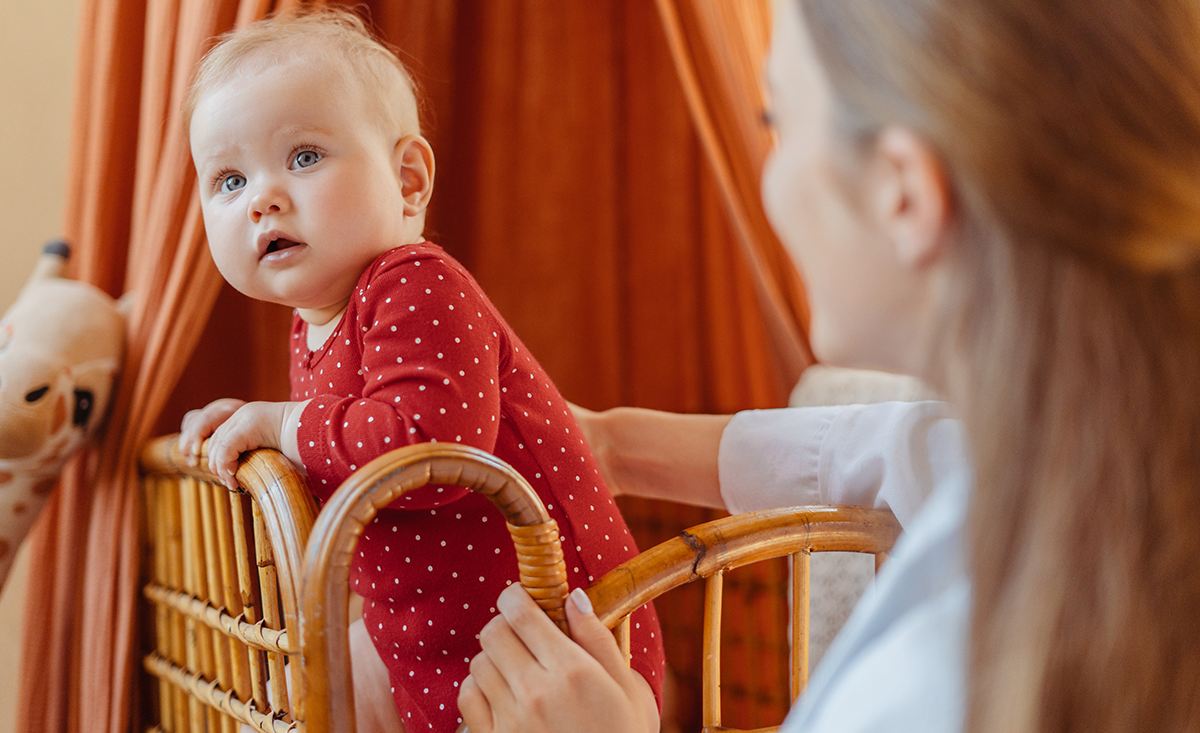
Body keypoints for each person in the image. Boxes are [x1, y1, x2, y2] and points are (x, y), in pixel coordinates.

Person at [457, 0, 1200, 731]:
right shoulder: (1090, 460)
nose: (770, 187)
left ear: (902, 192)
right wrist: (610, 443)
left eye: (775, 123)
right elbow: (890, 449)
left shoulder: (938, 689)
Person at [176, 9, 664, 731]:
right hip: (440, 641)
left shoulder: (414, 280)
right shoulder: (315, 323)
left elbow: (431, 447)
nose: (262, 198)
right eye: (228, 179)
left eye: (304, 156)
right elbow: (343, 457)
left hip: (554, 647)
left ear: (408, 180)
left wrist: (279, 424)